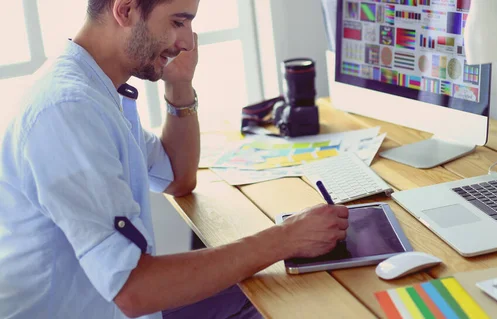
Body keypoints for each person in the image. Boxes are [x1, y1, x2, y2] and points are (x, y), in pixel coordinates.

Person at [0, 0, 349, 318]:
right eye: (178, 22)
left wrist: (179, 84)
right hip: (114, 305)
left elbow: (177, 176)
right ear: (125, 10)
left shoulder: (96, 87)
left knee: (280, 286)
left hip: (117, 303)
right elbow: (133, 290)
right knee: (300, 302)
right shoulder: (69, 110)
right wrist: (285, 237)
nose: (187, 43)